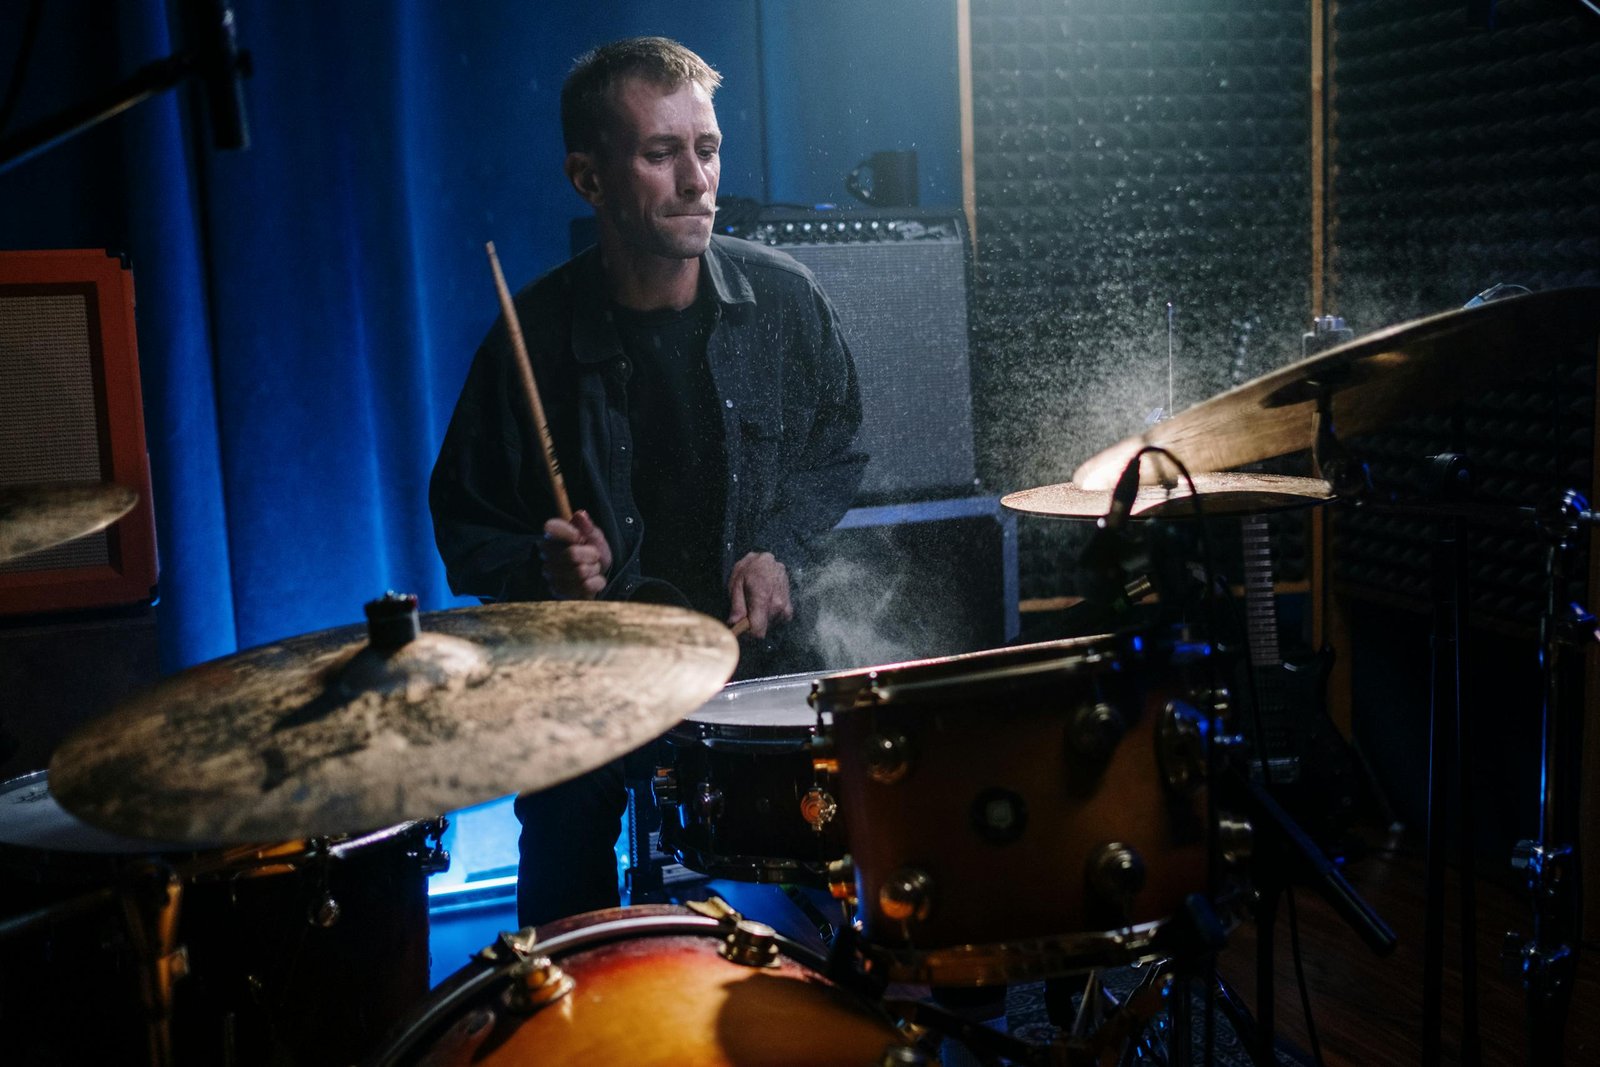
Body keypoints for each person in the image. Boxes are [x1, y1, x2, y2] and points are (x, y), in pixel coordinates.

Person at [428, 36, 866, 929]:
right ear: (589, 179)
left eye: (706, 150)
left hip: (758, 652)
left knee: (863, 803)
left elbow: (838, 448)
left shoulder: (787, 302)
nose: (698, 181)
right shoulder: (533, 337)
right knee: (562, 827)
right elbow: (466, 524)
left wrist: (779, 549)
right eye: (662, 155)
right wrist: (543, 573)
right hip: (599, 670)